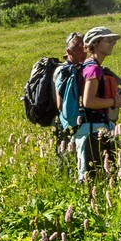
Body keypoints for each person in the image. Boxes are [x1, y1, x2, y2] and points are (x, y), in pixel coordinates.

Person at [75, 25, 121, 180]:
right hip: (93, 132)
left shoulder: (89, 66)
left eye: (113, 40)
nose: (113, 43)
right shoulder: (94, 69)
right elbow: (88, 101)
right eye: (109, 40)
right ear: (96, 43)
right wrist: (115, 101)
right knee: (106, 178)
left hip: (94, 129)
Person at [52, 32, 86, 162]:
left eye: (85, 49)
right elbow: (60, 105)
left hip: (77, 122)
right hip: (66, 123)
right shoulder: (63, 72)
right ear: (68, 51)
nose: (83, 53)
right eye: (79, 49)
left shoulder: (80, 68)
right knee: (67, 158)